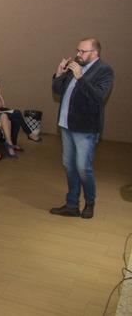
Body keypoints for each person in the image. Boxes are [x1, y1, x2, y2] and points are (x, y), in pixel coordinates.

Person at [50, 38, 114, 219]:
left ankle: (90, 202)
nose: (78, 54)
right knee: (69, 166)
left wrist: (80, 77)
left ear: (94, 53)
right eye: (77, 50)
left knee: (83, 167)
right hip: (66, 125)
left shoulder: (104, 71)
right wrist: (59, 73)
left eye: (82, 51)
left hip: (85, 128)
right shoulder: (74, 66)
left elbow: (98, 98)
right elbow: (57, 90)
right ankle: (71, 205)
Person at [0, 77, 42, 143]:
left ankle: (14, 144)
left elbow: (3, 106)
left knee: (17, 120)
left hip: (1, 112)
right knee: (18, 112)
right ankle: (29, 133)